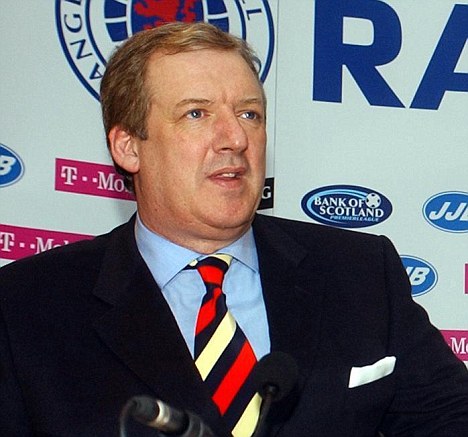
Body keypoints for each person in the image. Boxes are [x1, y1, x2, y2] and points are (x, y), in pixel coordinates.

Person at [0, 22, 467, 437]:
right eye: (196, 114)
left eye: (249, 114)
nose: (236, 139)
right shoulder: (27, 305)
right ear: (128, 147)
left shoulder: (360, 273)